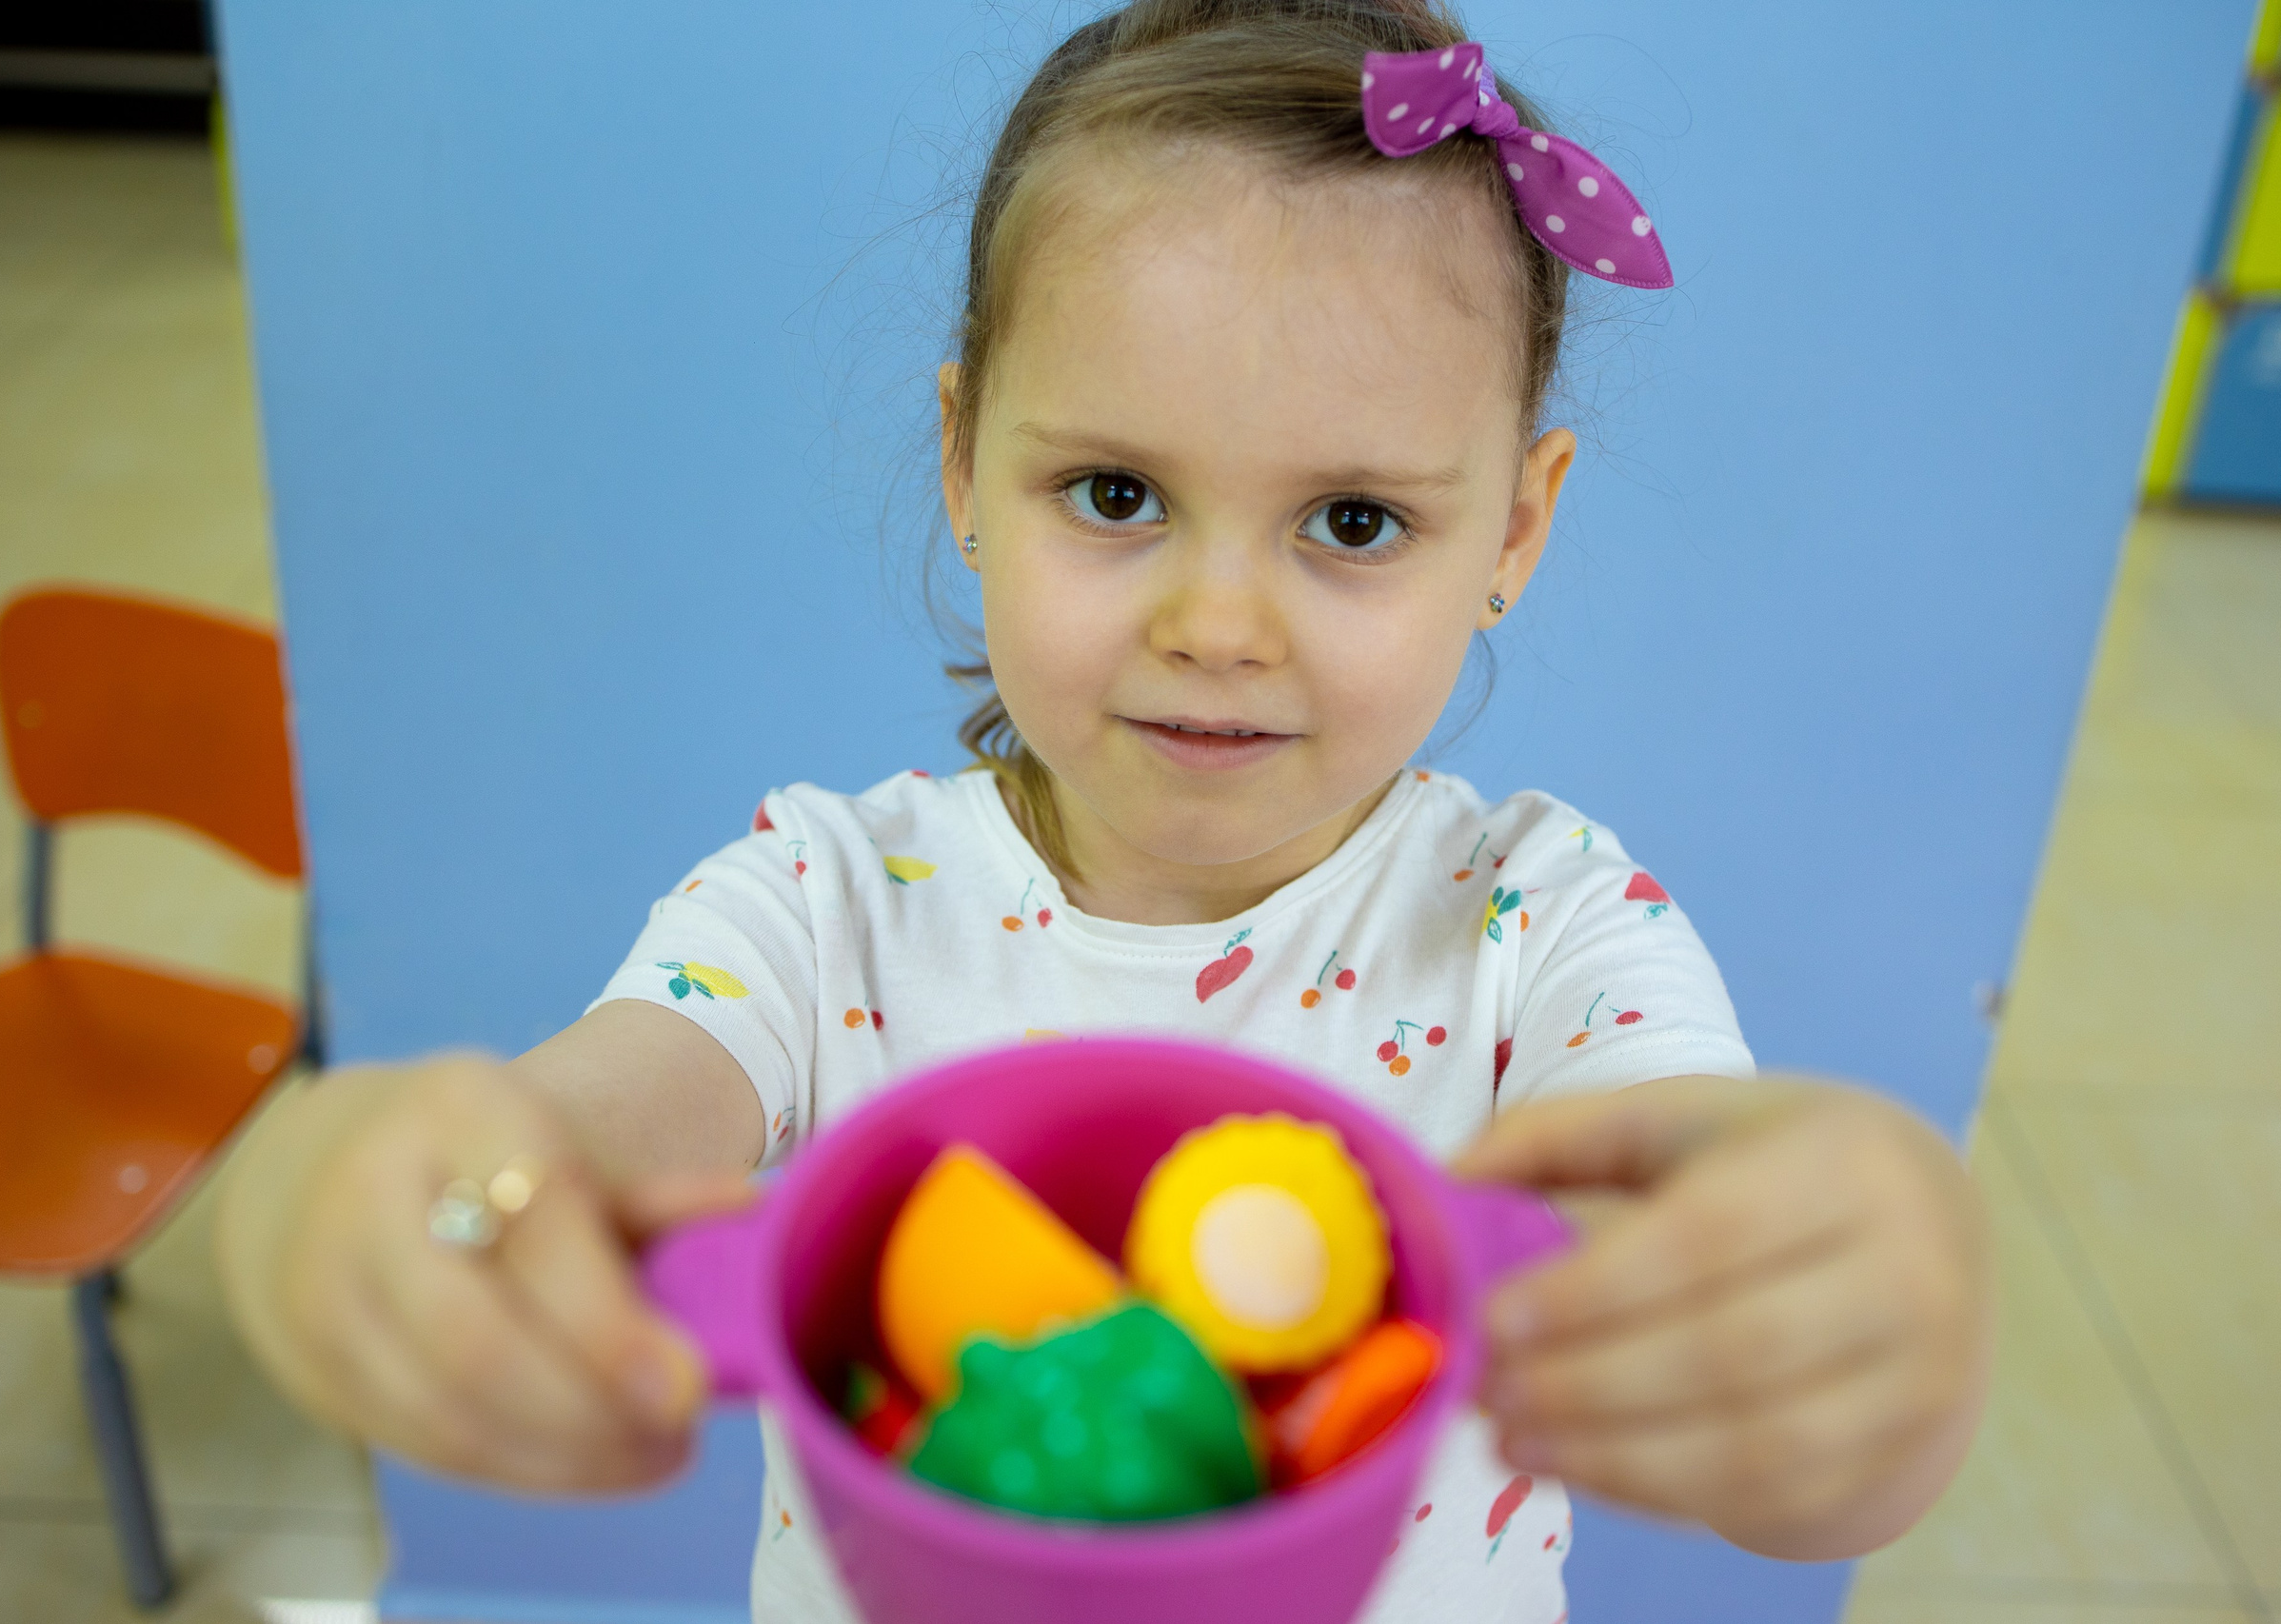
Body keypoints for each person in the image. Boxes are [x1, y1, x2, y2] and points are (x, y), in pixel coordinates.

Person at [217, 2, 1992, 1618]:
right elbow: (573, 1139)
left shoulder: (1554, 938)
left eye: (1354, 522)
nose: (1216, 626)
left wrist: (1870, 1314)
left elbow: (1784, 1437)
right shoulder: (824, 904)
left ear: (1515, 532)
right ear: (961, 457)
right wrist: (342, 1191)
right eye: (1117, 490)